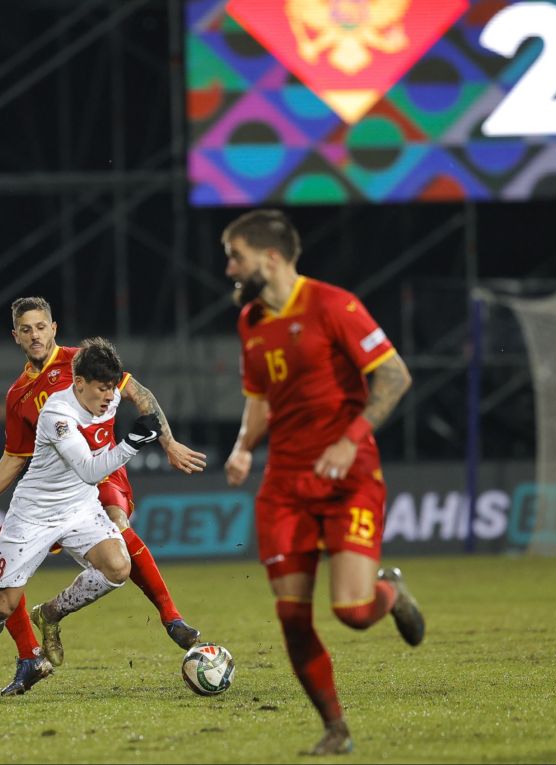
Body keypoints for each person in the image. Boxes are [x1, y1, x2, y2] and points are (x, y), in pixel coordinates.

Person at [220, 209, 424, 757]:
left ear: (270, 258)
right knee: (292, 617)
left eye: (235, 256)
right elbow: (258, 401)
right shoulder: (252, 323)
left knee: (353, 613)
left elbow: (395, 375)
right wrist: (242, 448)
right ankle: (335, 729)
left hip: (348, 478)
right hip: (284, 488)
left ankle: (391, 592)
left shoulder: (335, 304)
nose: (229, 269)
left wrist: (350, 437)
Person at [0, 297, 208, 697]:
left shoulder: (85, 363)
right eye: (26, 329)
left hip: (100, 477)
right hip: (53, 489)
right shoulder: (22, 396)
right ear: (15, 336)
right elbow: (15, 458)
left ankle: (171, 618)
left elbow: (140, 395)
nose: (35, 335)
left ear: (54, 328)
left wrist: (169, 443)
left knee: (118, 538)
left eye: (41, 327)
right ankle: (18, 655)